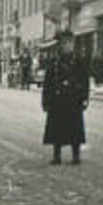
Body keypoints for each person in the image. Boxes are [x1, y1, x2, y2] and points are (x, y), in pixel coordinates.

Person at [42, 33, 90, 165]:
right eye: (64, 43)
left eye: (70, 43)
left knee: (75, 129)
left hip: (73, 99)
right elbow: (48, 82)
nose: (67, 46)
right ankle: (56, 156)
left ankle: (76, 155)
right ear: (60, 46)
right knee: (56, 129)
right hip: (57, 100)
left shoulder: (78, 61)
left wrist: (85, 98)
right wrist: (45, 101)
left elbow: (84, 81)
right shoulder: (54, 62)